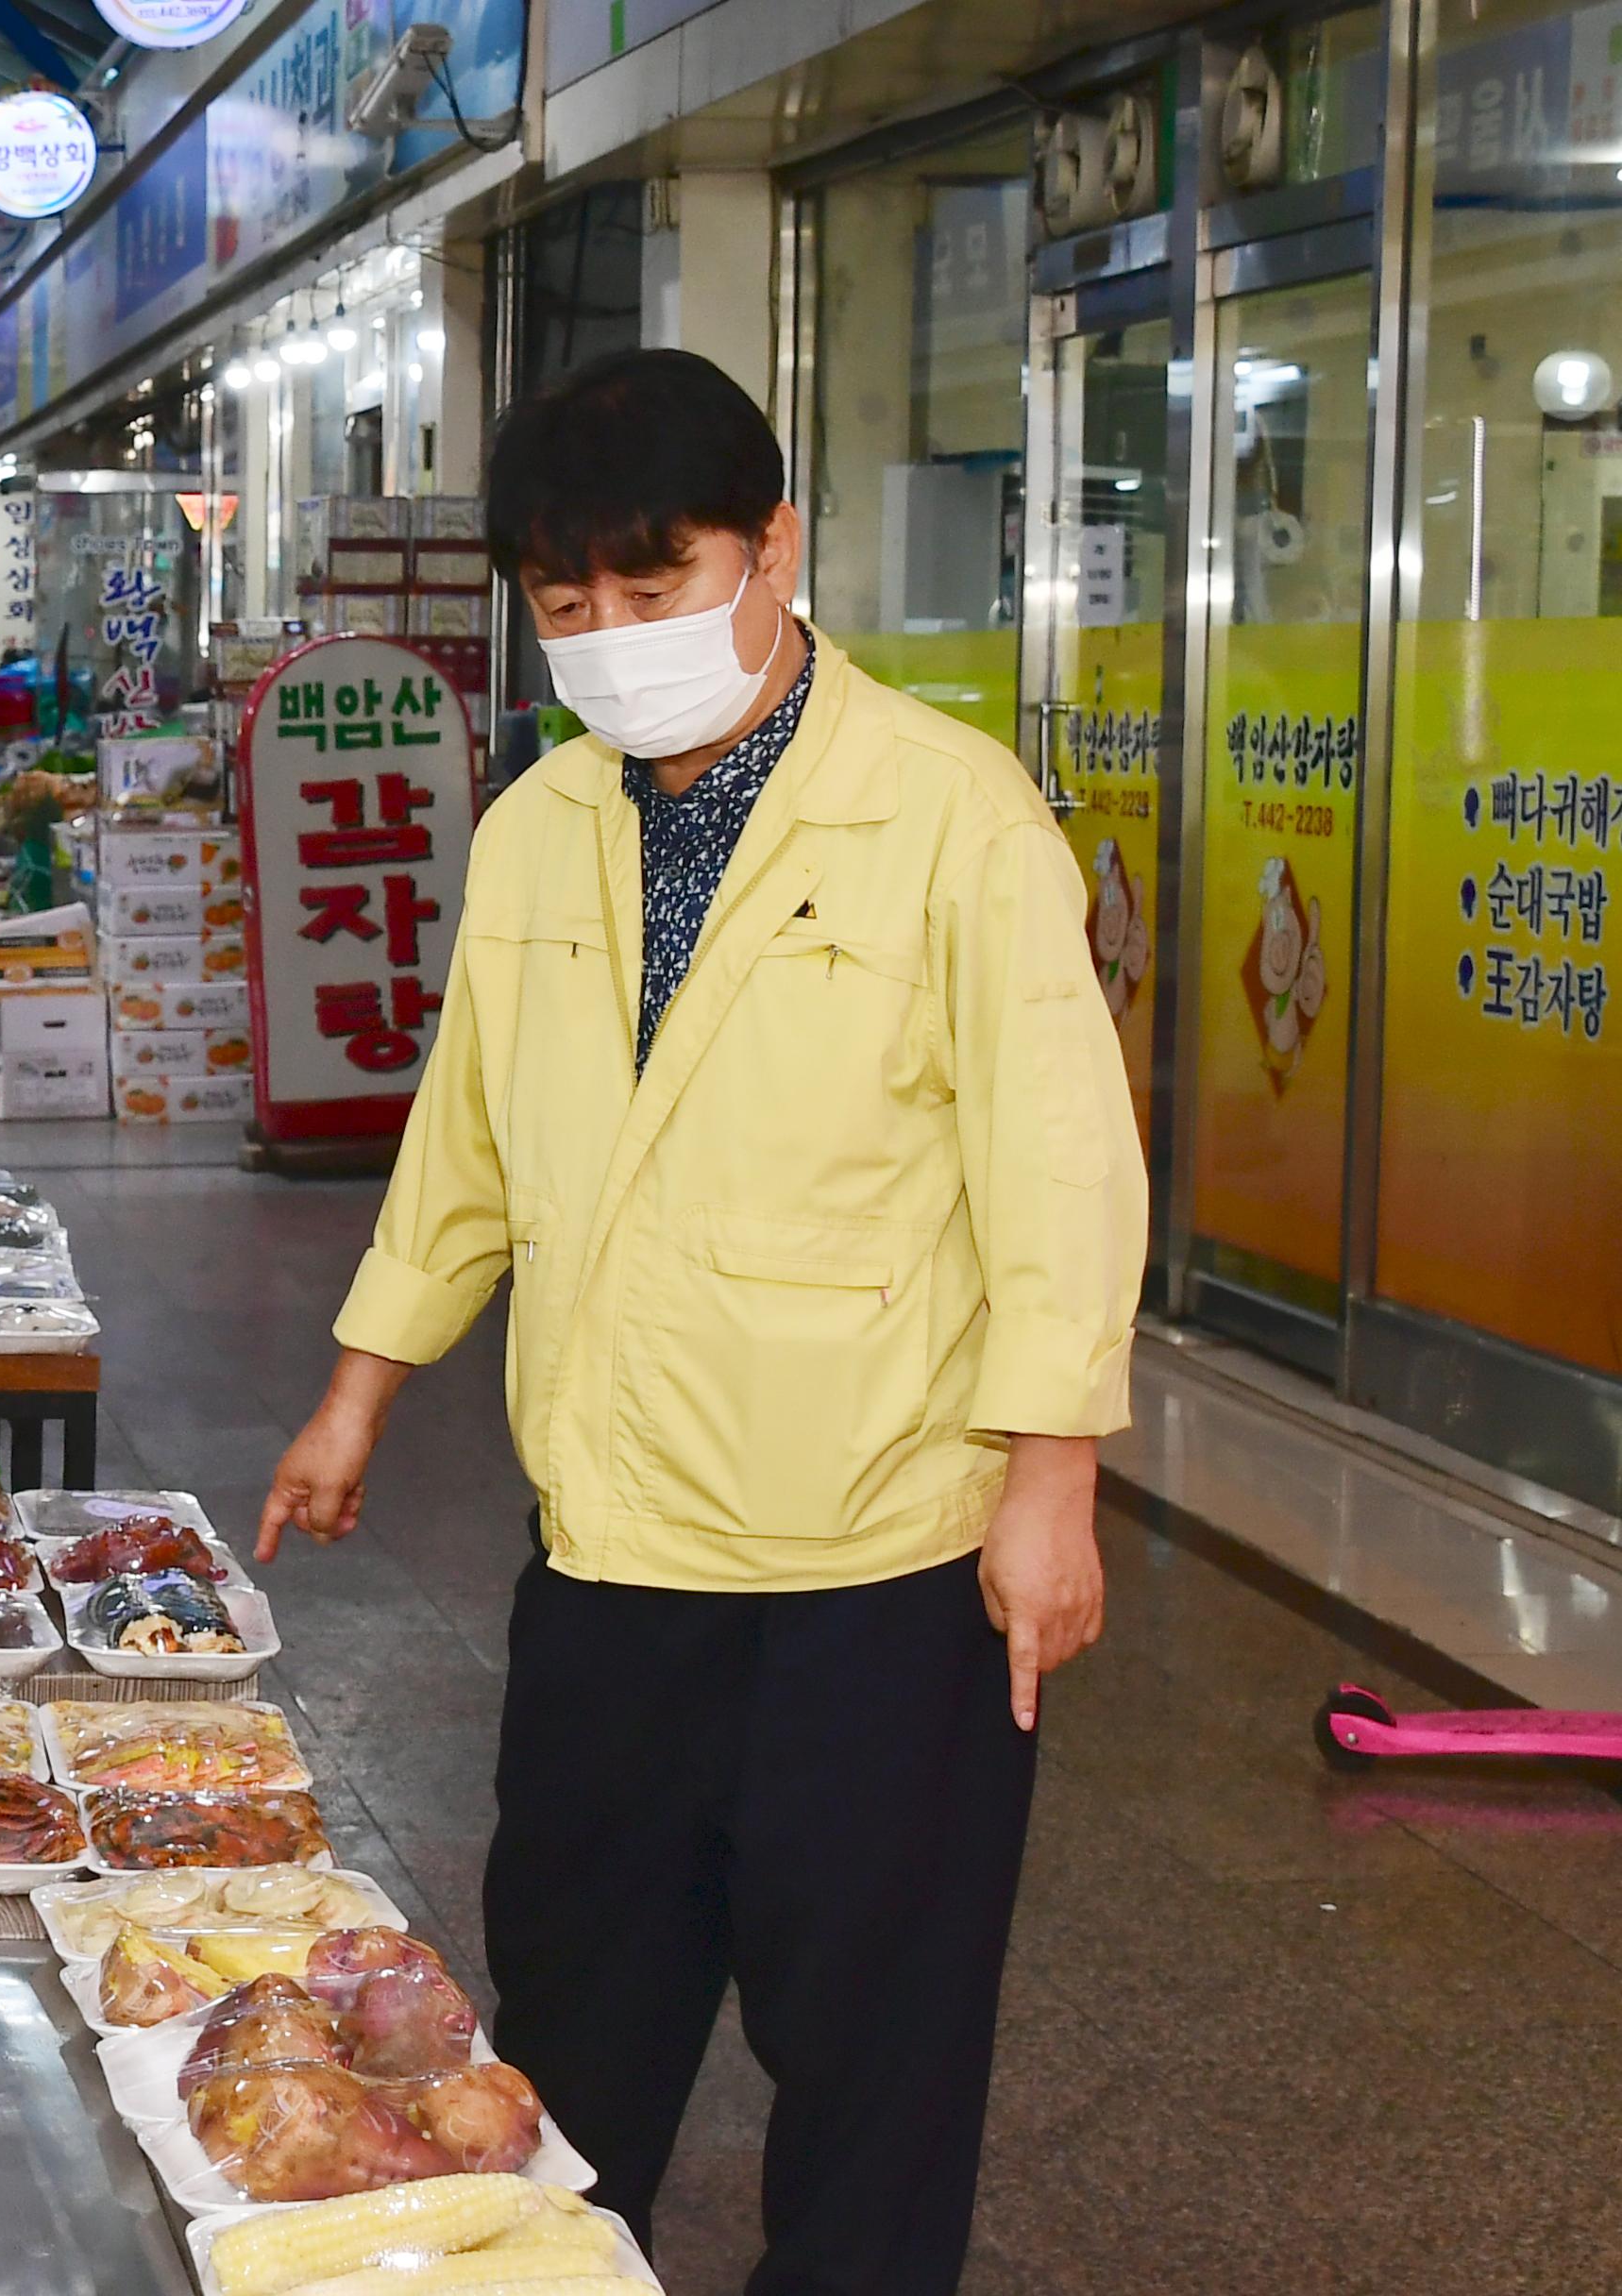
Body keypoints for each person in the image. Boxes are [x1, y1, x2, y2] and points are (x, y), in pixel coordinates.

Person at [253, 349, 1146, 2293]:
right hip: (616, 1555)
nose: (614, 640)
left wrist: (1052, 1477)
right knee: (575, 2040)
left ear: (777, 548)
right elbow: (467, 1142)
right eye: (567, 608)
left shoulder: (949, 813)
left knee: (874, 2063)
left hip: (886, 1567)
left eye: (656, 590)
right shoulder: (539, 831)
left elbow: (1062, 1166)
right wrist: (359, 1388)